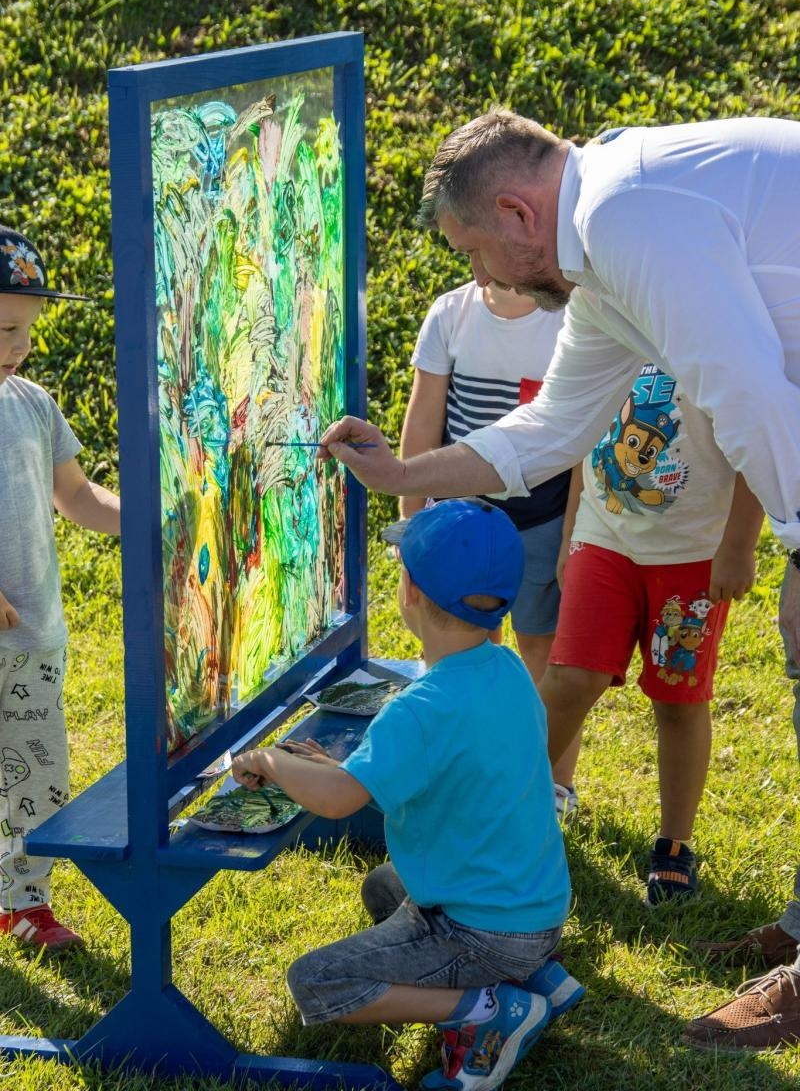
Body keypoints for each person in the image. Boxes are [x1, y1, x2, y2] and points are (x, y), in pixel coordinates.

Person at [317, 112, 800, 1047]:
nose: (485, 278)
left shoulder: (627, 213)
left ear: (514, 211)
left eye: (477, 252)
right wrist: (403, 475)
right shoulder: (607, 244)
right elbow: (546, 435)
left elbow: (744, 390)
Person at [231, 498, 576, 1091]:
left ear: (410, 589)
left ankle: (491, 1013)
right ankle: (539, 977)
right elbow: (437, 770)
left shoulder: (419, 709)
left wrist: (269, 761)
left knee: (317, 981)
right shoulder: (510, 670)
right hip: (536, 912)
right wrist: (341, 766)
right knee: (384, 884)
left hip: (482, 932)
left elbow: (338, 801)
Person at [539, 361, 762, 901]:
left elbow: (760, 436)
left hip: (694, 556)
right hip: (603, 538)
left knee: (679, 701)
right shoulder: (607, 316)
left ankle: (674, 845)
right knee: (571, 678)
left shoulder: (723, 327)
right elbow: (584, 428)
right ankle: (505, 813)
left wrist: (738, 545)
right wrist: (571, 531)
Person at [0, 224, 120, 951]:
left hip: (34, 634)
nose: (19, 346)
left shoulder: (34, 404)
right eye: (8, 326)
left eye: (28, 331)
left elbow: (76, 497)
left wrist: (149, 522)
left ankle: (24, 903)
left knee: (37, 778)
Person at [400, 276, 568, 690]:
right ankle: (470, 745)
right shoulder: (450, 312)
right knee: (462, 644)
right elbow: (423, 421)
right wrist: (411, 520)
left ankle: (542, 754)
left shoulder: (570, 318)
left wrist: (572, 533)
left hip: (543, 517)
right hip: (461, 521)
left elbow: (579, 435)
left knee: (538, 646)